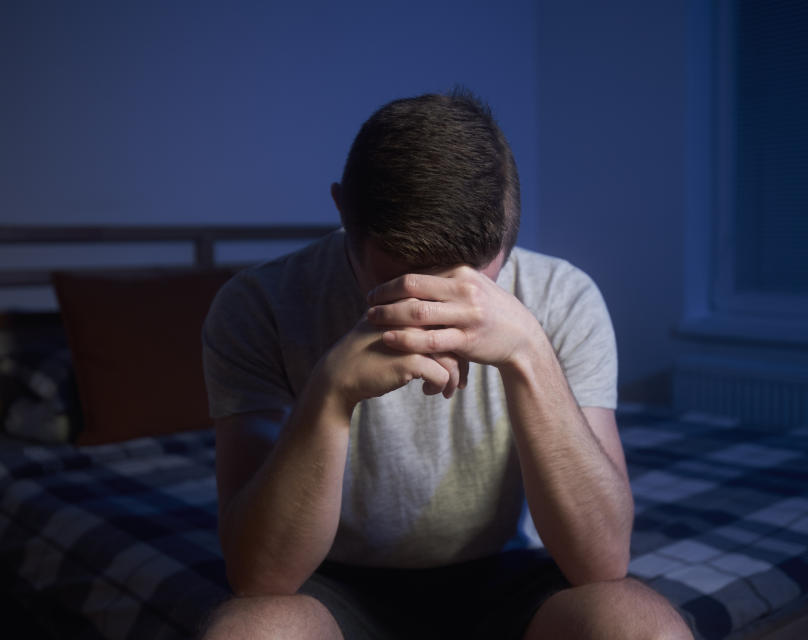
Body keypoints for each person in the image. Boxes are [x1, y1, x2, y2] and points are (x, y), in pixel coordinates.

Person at [200, 89, 692, 640]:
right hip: (330, 580)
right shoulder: (258, 304)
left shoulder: (563, 296)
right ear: (343, 212)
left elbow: (603, 561)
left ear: (513, 221)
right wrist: (329, 397)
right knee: (247, 632)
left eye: (473, 280)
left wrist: (529, 352)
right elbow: (257, 576)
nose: (437, 309)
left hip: (503, 574)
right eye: (401, 282)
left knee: (642, 628)